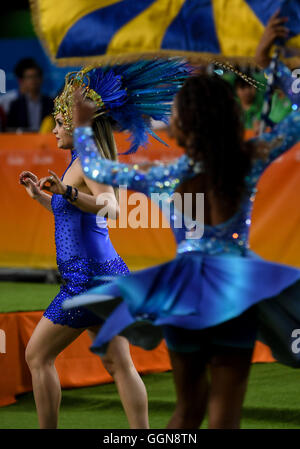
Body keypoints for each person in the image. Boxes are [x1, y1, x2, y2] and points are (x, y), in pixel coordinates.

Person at [63, 45, 300, 429]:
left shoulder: (164, 175)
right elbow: (296, 120)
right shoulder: (249, 159)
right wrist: (274, 65)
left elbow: (95, 166)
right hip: (236, 290)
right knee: (226, 415)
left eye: (173, 113)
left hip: (183, 291)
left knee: (188, 410)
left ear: (184, 124)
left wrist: (85, 127)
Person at [18, 59, 191, 429]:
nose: (55, 131)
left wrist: (65, 190)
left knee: (36, 356)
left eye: (61, 124)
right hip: (107, 275)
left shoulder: (87, 162)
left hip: (87, 281)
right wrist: (42, 197)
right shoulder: (82, 160)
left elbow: (110, 207)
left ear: (79, 124)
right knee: (118, 363)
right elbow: (75, 213)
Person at [7, 58, 53, 131]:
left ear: (41, 79)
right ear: (23, 81)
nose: (33, 80)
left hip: (46, 140)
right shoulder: (15, 105)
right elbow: (10, 130)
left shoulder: (51, 103)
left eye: (36, 76)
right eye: (29, 77)